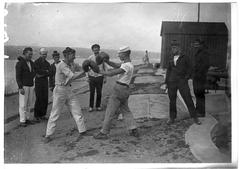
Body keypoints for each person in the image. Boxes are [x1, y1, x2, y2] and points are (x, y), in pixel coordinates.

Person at [43, 47, 92, 143]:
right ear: (66, 55)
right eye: (72, 55)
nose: (74, 56)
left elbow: (82, 69)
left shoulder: (73, 64)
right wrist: (85, 72)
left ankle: (82, 130)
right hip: (59, 90)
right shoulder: (61, 65)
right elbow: (73, 76)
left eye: (74, 54)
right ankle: (48, 135)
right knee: (55, 113)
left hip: (68, 89)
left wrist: (88, 68)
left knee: (77, 110)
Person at [94, 46, 139, 140]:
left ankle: (104, 132)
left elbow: (112, 73)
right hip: (125, 90)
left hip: (119, 89)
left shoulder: (126, 66)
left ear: (125, 54)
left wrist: (99, 71)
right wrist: (107, 61)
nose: (118, 55)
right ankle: (133, 128)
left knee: (110, 111)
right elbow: (115, 65)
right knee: (126, 110)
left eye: (120, 53)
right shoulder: (127, 64)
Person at [165, 40, 201, 125]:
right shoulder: (170, 58)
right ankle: (172, 118)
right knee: (172, 101)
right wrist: (166, 82)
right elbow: (168, 71)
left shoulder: (185, 57)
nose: (173, 50)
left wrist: (186, 77)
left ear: (179, 48)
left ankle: (195, 118)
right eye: (172, 48)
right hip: (171, 82)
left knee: (188, 99)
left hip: (182, 82)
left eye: (174, 48)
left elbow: (191, 68)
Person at [15, 47, 36, 127]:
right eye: (29, 54)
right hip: (24, 86)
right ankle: (22, 121)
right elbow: (18, 76)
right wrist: (20, 87)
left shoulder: (32, 63)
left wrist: (32, 78)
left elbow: (34, 71)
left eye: (31, 54)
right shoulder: (20, 63)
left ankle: (27, 119)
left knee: (29, 104)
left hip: (31, 85)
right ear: (24, 54)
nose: (30, 56)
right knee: (23, 104)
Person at [192, 39, 210, 117]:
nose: (196, 46)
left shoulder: (204, 53)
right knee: (197, 93)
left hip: (200, 77)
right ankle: (198, 109)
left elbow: (205, 65)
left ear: (200, 45)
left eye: (197, 44)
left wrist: (199, 73)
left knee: (200, 93)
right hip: (196, 76)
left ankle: (201, 112)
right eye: (195, 44)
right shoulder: (198, 53)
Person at [87, 44, 107, 112]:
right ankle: (91, 106)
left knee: (99, 92)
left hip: (99, 77)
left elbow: (105, 68)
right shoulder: (90, 58)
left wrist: (105, 77)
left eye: (97, 48)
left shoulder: (102, 57)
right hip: (92, 77)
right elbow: (86, 68)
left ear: (99, 49)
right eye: (94, 48)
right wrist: (87, 77)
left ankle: (98, 106)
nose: (95, 50)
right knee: (92, 92)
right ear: (92, 50)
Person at [34, 48, 51, 122]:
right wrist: (45, 72)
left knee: (45, 98)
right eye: (43, 54)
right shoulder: (36, 62)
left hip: (44, 82)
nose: (44, 55)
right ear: (40, 54)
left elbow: (49, 73)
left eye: (45, 54)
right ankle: (37, 115)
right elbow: (37, 72)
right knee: (39, 98)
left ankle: (43, 115)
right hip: (38, 82)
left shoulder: (47, 63)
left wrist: (42, 73)